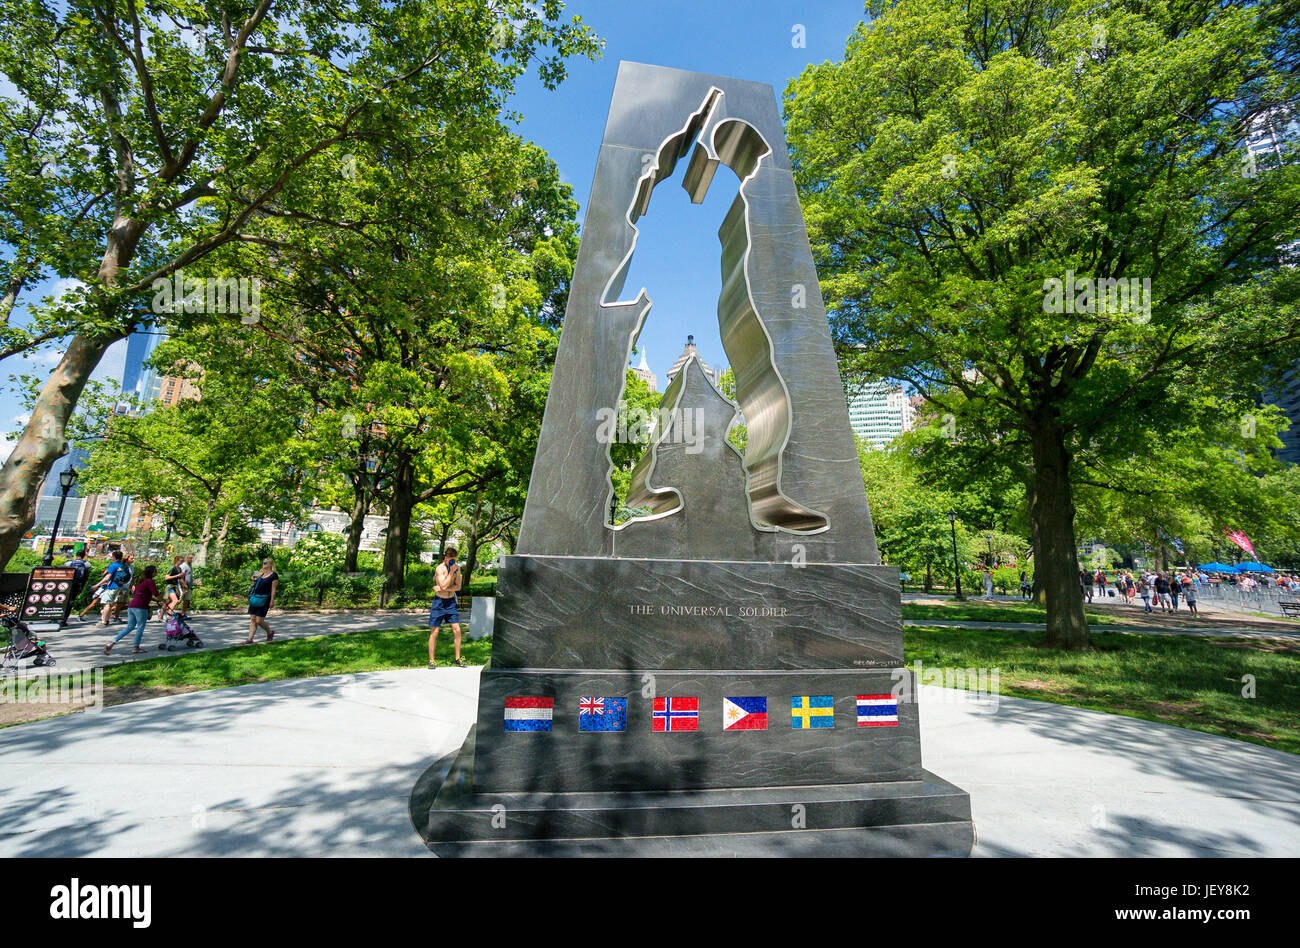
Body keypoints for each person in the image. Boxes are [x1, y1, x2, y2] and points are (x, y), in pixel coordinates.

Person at [105, 564, 162, 655]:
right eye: (155, 571)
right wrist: (164, 601)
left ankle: (111, 643)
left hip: (132, 606)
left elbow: (142, 594)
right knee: (140, 626)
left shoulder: (140, 582)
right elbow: (155, 593)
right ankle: (136, 647)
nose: (156, 573)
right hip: (140, 607)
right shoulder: (150, 581)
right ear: (151, 573)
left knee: (130, 626)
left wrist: (155, 600)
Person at [428, 546, 466, 669]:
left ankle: (458, 658)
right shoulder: (440, 569)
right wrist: (450, 573)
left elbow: (458, 587)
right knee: (435, 631)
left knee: (457, 630)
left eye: (454, 560)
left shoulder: (457, 569)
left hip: (450, 602)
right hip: (439, 602)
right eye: (451, 560)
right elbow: (443, 584)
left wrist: (446, 588)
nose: (453, 562)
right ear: (446, 558)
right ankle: (432, 660)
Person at [244, 558, 278, 644]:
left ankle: (269, 633)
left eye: (265, 563)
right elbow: (254, 583)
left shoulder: (274, 575)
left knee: (259, 620)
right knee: (252, 619)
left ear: (270, 564)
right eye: (263, 562)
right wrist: (253, 578)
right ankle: (249, 639)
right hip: (255, 598)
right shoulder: (260, 573)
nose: (263, 564)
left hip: (264, 599)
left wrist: (272, 601)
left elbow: (273, 590)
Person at [87, 551, 126, 625]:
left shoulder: (113, 565)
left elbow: (107, 576)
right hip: (120, 586)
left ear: (114, 557)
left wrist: (97, 585)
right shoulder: (124, 565)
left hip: (112, 586)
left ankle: (104, 621)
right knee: (110, 603)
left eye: (112, 556)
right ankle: (107, 619)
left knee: (106, 603)